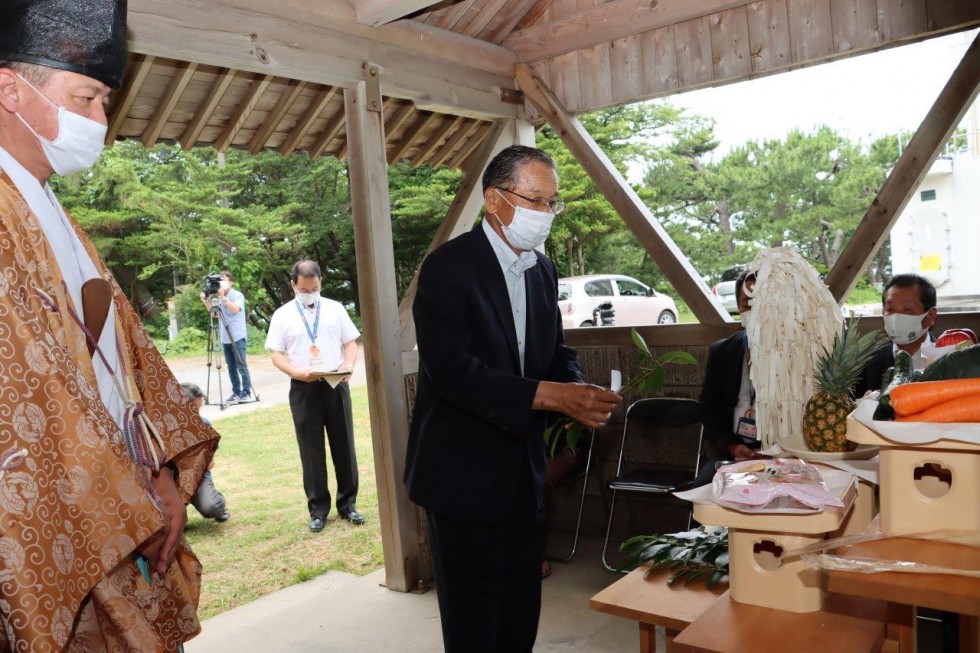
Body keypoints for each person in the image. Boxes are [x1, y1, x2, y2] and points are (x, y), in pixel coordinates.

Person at [0, 1, 218, 649]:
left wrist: (160, 478)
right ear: (10, 89)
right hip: (79, 517)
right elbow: (25, 401)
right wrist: (128, 502)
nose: (99, 120)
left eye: (103, 101)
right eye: (86, 97)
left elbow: (119, 366)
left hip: (128, 496)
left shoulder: (45, 204)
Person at [404, 145, 622, 653]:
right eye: (536, 201)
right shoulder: (447, 270)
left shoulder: (543, 271)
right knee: (474, 623)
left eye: (552, 203)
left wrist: (579, 386)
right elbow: (455, 374)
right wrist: (554, 397)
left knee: (520, 611)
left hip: (525, 475)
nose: (545, 214)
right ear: (495, 201)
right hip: (460, 477)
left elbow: (554, 352)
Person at [265, 260, 363, 531]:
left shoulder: (335, 309)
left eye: (315, 288)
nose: (310, 293)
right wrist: (295, 372)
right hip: (303, 386)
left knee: (344, 444)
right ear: (293, 285)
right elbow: (276, 353)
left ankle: (349, 504)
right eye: (305, 289)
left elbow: (349, 343)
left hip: (335, 382)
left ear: (321, 283)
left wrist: (349, 364)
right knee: (311, 449)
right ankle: (318, 509)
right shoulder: (282, 315)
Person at [697, 270, 768, 485]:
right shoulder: (722, 351)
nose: (753, 309)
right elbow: (709, 408)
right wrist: (731, 445)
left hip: (781, 455)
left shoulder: (795, 354)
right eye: (747, 302)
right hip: (733, 453)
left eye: (760, 301)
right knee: (704, 488)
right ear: (738, 307)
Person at [853, 273, 938, 398]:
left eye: (907, 309)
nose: (895, 318)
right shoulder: (867, 363)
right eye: (890, 309)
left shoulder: (948, 358)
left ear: (930, 316)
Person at [181, 382, 231, 522]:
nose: (196, 415)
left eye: (199, 410)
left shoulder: (204, 425)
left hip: (198, 478)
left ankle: (217, 502)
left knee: (211, 507)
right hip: (173, 481)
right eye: (193, 410)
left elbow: (210, 464)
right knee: (171, 521)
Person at [200, 269, 252, 404]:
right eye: (220, 280)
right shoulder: (217, 296)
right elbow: (215, 314)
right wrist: (206, 301)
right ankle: (236, 392)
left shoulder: (238, 295)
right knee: (231, 367)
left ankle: (246, 392)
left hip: (238, 336)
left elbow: (235, 309)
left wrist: (223, 297)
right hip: (225, 337)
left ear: (231, 282)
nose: (221, 283)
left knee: (242, 365)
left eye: (224, 280)